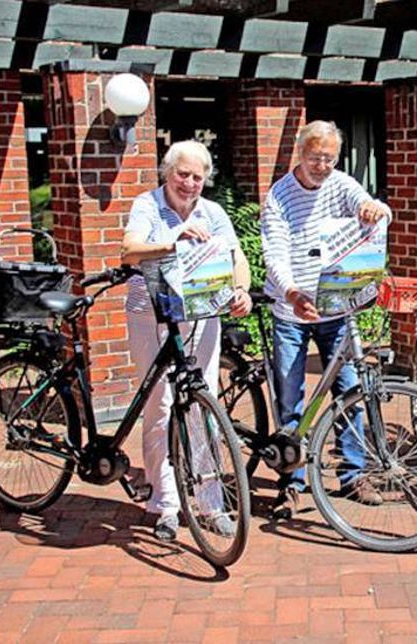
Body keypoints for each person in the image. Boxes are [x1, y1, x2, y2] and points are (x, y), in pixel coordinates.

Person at [121, 140, 253, 541]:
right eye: (183, 174)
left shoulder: (213, 212)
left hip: (201, 314)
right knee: (160, 406)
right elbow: (129, 251)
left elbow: (237, 257)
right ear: (167, 172)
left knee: (202, 404)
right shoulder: (147, 204)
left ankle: (211, 503)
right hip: (152, 315)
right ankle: (164, 504)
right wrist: (174, 239)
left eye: (198, 177)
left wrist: (242, 290)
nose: (190, 183)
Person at [260, 120, 391, 519]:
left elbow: (378, 211)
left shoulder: (341, 184)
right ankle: (292, 482)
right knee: (291, 396)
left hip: (336, 307)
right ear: (300, 152)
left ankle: (353, 475)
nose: (322, 166)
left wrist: (375, 208)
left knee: (350, 389)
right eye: (316, 157)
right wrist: (292, 293)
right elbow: (275, 254)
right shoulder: (279, 196)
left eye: (329, 158)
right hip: (292, 309)